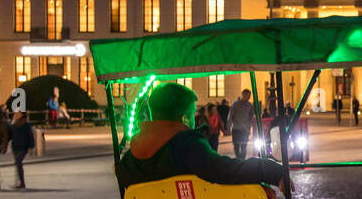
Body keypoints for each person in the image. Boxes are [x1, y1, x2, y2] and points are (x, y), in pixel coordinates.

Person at [115, 82, 285, 192]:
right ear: (184, 118)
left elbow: (120, 172)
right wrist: (269, 170)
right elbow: (223, 170)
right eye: (192, 114)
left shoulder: (131, 158)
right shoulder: (187, 145)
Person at [9, 112, 35, 189]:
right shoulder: (13, 124)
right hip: (15, 146)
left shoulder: (26, 125)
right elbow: (10, 135)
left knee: (18, 161)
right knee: (18, 164)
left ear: (22, 116)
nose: (15, 115)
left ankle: (22, 183)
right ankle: (20, 182)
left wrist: (31, 147)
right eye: (15, 114)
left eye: (17, 114)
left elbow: (30, 136)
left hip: (24, 147)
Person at [229, 88, 257, 159]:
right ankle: (239, 159)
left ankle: (242, 160)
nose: (249, 98)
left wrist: (249, 127)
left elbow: (251, 117)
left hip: (245, 130)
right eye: (247, 96)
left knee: (244, 146)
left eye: (249, 96)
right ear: (243, 95)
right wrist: (228, 127)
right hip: (236, 129)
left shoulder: (250, 106)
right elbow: (230, 116)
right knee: (236, 146)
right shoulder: (235, 104)